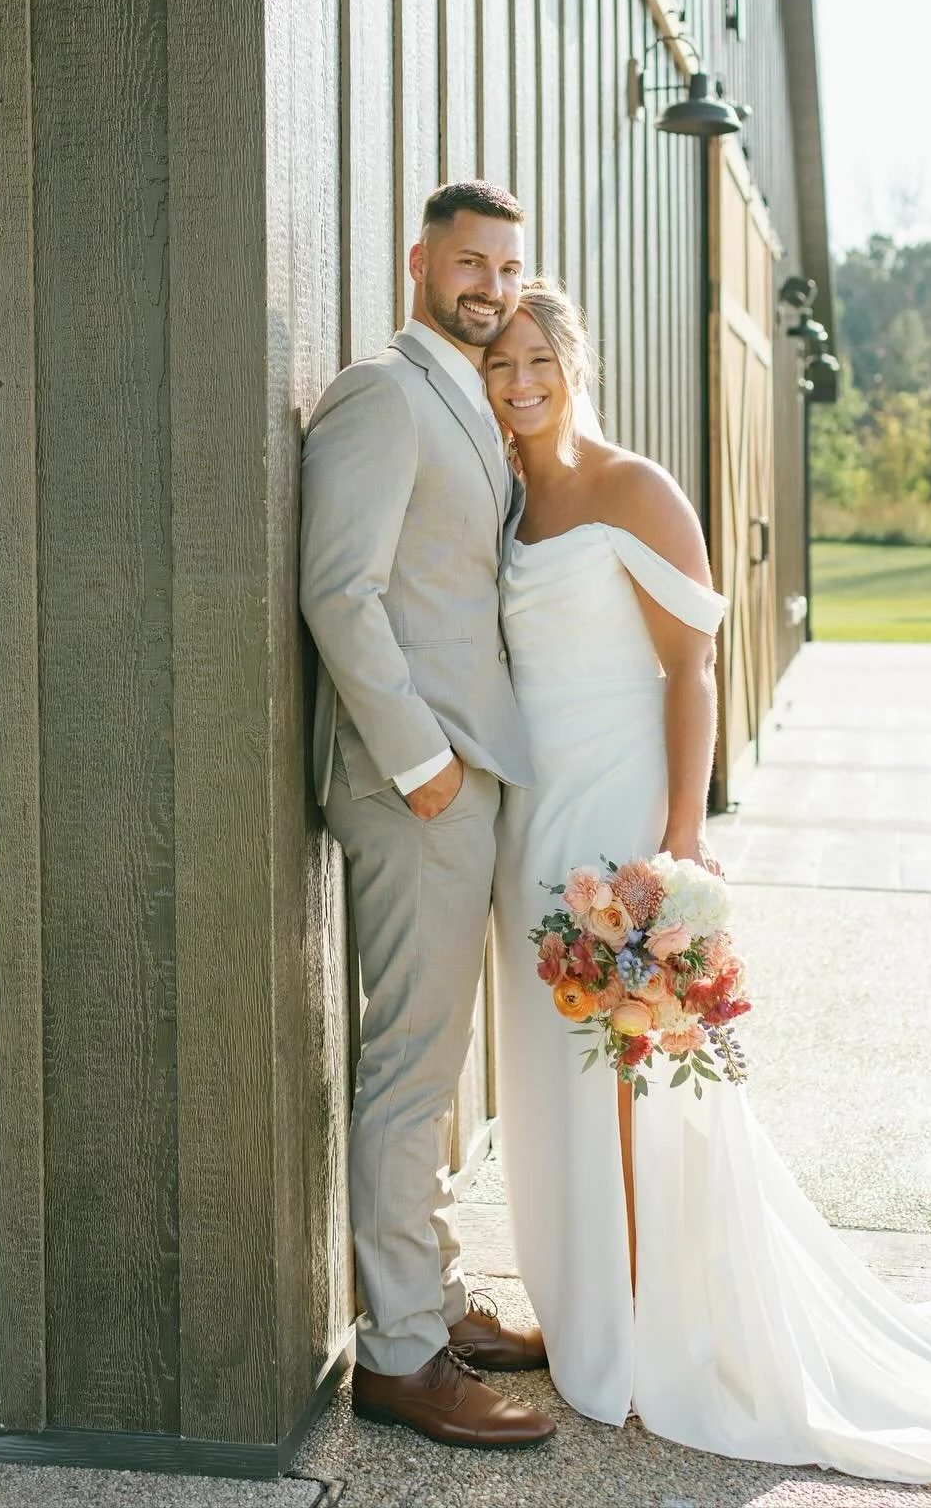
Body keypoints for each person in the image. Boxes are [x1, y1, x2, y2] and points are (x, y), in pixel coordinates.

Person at [486, 277, 931, 1488]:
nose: (520, 381)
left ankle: (657, 1331)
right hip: (526, 831)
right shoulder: (508, 498)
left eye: (536, 356)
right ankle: (584, 1313)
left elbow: (692, 667)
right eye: (499, 364)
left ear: (574, 358)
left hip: (613, 822)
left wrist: (680, 837)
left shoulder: (633, 488)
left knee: (642, 1087)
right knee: (555, 1082)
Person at [299, 180, 554, 1449]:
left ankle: (433, 1295)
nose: (491, 289)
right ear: (419, 262)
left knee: (436, 1060)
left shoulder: (461, 397)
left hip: (462, 784)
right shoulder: (383, 393)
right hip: (416, 790)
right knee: (408, 1070)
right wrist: (424, 768)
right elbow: (339, 593)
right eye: (470, 264)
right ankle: (399, 1354)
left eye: (508, 270)